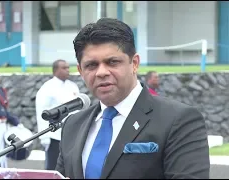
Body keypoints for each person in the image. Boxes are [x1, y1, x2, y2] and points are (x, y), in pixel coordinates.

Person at [55, 18, 210, 179]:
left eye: (112, 62)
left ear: (134, 63)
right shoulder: (73, 125)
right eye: (91, 65)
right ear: (80, 71)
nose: (101, 72)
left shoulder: (178, 120)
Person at [36, 59, 80, 170]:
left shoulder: (73, 86)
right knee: (53, 167)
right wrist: (44, 137)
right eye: (64, 68)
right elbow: (42, 112)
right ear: (55, 70)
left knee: (70, 167)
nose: (68, 70)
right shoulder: (47, 88)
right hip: (54, 135)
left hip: (71, 134)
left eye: (68, 67)